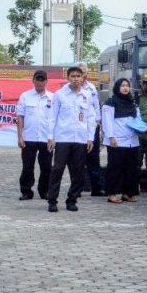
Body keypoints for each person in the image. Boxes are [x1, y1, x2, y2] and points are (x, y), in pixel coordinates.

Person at [46, 64, 96, 212]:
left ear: (83, 78)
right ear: (68, 78)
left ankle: (72, 199)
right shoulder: (60, 95)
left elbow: (91, 118)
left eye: (78, 76)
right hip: (63, 138)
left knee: (78, 172)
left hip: (80, 139)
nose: (76, 79)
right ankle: (52, 200)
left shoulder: (87, 95)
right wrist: (51, 137)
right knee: (57, 170)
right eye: (73, 76)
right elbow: (52, 117)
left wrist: (90, 138)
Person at [102, 78, 141, 203]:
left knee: (131, 168)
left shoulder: (133, 103)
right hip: (117, 141)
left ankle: (128, 193)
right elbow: (107, 121)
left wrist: (142, 128)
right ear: (117, 87)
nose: (125, 88)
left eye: (127, 85)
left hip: (132, 141)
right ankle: (111, 193)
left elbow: (138, 119)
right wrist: (111, 137)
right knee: (115, 167)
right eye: (122, 85)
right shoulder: (111, 102)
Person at [16, 70, 54, 201]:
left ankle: (45, 191)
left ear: (46, 81)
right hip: (29, 138)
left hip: (46, 138)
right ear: (33, 80)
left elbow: (55, 119)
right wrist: (20, 136)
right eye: (37, 79)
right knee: (27, 167)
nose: (40, 82)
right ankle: (26, 192)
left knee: (47, 167)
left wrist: (53, 138)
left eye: (42, 79)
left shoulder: (53, 98)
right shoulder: (25, 96)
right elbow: (20, 117)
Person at [76, 62, 104, 197]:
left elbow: (96, 107)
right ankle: (78, 188)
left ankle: (96, 189)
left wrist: (98, 125)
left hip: (92, 127)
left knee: (94, 159)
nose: (83, 74)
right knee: (78, 160)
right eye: (80, 72)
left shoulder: (92, 88)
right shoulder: (69, 89)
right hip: (78, 128)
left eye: (84, 72)